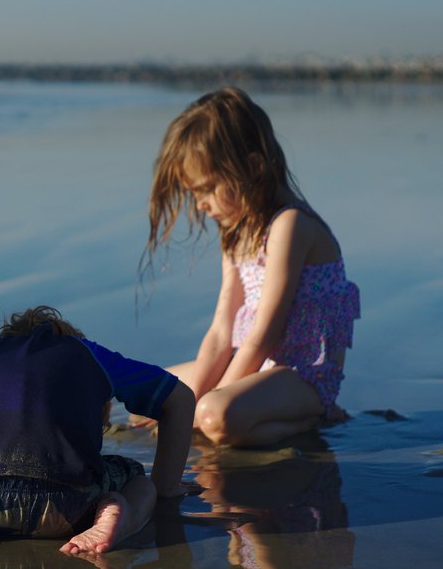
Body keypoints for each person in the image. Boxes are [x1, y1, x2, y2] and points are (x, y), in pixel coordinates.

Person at [140, 87, 360, 447]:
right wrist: (184, 404)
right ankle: (232, 415)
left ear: (254, 168)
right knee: (148, 397)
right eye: (195, 194)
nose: (201, 206)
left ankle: (316, 417)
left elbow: (265, 335)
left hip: (300, 376)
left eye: (207, 189)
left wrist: (200, 408)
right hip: (253, 366)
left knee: (214, 416)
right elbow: (221, 333)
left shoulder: (291, 226)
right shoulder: (236, 232)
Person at [0, 306, 195, 555]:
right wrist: (165, 488)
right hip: (71, 508)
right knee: (139, 483)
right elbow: (180, 398)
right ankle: (115, 516)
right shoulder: (93, 356)